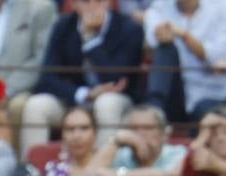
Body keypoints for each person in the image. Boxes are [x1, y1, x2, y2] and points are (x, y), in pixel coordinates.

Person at [19, 0, 144, 155]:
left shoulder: (129, 28)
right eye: (85, 1)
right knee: (36, 105)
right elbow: (47, 78)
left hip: (119, 102)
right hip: (76, 99)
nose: (92, 7)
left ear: (107, 2)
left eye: (97, 1)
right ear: (74, 4)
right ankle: (32, 171)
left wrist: (91, 40)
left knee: (106, 103)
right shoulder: (63, 25)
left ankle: (101, 172)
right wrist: (85, 94)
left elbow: (117, 81)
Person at [143, 0, 226, 126]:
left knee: (205, 111)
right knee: (165, 49)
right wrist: (161, 35)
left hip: (217, 95)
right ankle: (154, 111)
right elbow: (151, 43)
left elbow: (218, 59)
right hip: (179, 95)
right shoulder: (160, 6)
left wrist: (184, 35)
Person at [88, 103, 187, 176]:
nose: (140, 134)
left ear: (163, 134)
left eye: (148, 128)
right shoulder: (122, 155)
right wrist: (116, 140)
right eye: (134, 128)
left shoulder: (178, 153)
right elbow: (90, 175)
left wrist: (116, 175)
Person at [38, 104, 102, 176]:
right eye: (70, 129)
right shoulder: (54, 170)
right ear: (62, 135)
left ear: (95, 133)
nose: (76, 136)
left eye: (84, 128)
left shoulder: (110, 166)